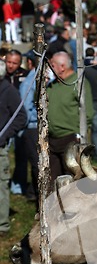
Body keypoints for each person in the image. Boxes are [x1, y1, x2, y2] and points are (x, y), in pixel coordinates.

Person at [47, 51, 93, 186]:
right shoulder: (52, 85)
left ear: (62, 66)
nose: (50, 68)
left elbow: (88, 112)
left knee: (74, 179)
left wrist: (78, 135)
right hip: (51, 140)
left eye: (52, 65)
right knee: (53, 180)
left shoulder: (77, 82)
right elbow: (37, 102)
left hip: (70, 138)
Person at [0, 59, 27, 235]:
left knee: (1, 187)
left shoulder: (8, 91)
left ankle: (2, 225)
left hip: (0, 147)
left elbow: (20, 117)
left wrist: (3, 135)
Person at [4, 49, 28, 195]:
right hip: (5, 121)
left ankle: (19, 184)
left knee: (21, 154)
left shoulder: (24, 75)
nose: (11, 65)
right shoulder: (2, 77)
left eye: (15, 63)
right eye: (9, 62)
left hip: (19, 120)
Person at [18, 49, 39, 203]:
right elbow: (25, 109)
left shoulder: (37, 79)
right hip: (32, 127)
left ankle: (34, 190)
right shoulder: (28, 82)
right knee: (36, 161)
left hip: (37, 126)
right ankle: (34, 192)